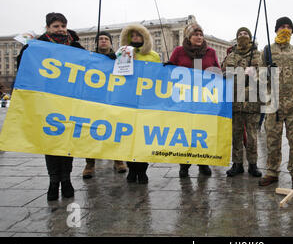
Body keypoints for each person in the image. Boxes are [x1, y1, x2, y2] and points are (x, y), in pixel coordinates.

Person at [16, 12, 85, 201]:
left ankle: (67, 180)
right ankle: (53, 181)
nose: (60, 29)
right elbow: (23, 66)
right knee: (51, 141)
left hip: (70, 100)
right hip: (46, 100)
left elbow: (91, 64)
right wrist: (26, 49)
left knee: (66, 141)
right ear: (47, 28)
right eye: (56, 26)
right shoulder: (37, 45)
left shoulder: (75, 45)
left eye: (63, 26)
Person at [258, 17, 293, 189]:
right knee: (272, 140)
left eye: (288, 27)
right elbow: (260, 77)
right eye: (282, 27)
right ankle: (272, 172)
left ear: (292, 31)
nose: (285, 29)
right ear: (276, 30)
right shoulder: (267, 51)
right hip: (273, 104)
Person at [168, 22, 220, 178]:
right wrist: (166, 68)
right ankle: (184, 165)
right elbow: (171, 71)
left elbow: (217, 70)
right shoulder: (179, 51)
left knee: (202, 132)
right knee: (184, 133)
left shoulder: (210, 52)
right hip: (183, 100)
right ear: (188, 37)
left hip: (204, 100)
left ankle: (203, 163)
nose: (199, 37)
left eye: (201, 34)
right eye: (195, 34)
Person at [82, 31, 128, 179]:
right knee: (90, 131)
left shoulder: (118, 59)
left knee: (114, 130)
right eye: (100, 39)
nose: (103, 41)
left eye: (106, 39)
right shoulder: (89, 58)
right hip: (93, 99)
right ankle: (90, 164)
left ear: (110, 42)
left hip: (112, 99)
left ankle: (118, 160)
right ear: (96, 42)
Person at [119, 24, 161, 184]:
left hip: (146, 101)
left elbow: (158, 76)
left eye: (138, 35)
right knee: (129, 136)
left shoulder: (153, 55)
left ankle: (142, 170)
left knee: (143, 137)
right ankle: (132, 168)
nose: (135, 38)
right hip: (128, 100)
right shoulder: (124, 53)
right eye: (133, 35)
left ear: (145, 38)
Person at [221, 27, 262, 177]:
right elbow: (222, 72)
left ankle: (253, 164)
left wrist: (255, 73)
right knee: (236, 135)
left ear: (250, 37)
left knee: (252, 136)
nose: (242, 35)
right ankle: (237, 164)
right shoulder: (230, 56)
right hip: (235, 102)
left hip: (252, 103)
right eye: (240, 34)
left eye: (245, 33)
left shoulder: (258, 55)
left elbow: (266, 75)